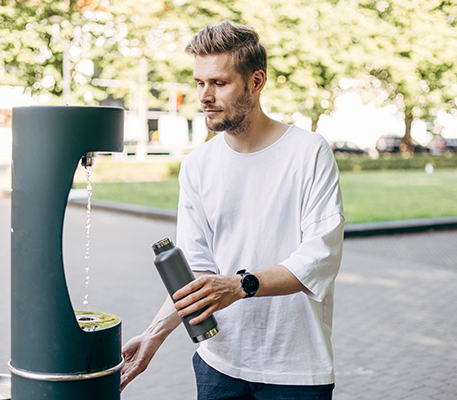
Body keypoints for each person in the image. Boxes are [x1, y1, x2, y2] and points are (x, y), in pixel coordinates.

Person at [121, 20, 344, 400]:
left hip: (294, 369)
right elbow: (195, 270)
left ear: (255, 82)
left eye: (218, 83)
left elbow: (319, 258)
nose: (204, 96)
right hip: (217, 365)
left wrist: (240, 285)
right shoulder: (198, 165)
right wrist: (153, 336)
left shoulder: (309, 152)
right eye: (199, 83)